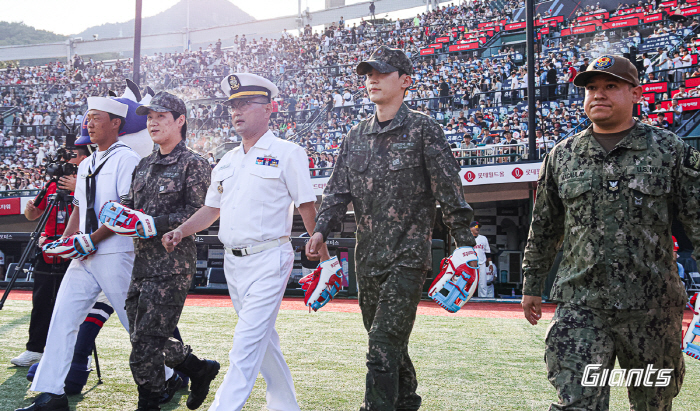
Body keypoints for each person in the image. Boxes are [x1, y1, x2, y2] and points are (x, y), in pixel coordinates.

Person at [521, 55, 700, 410]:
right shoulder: (563, 156)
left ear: (635, 93)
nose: (598, 95)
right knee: (576, 402)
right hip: (582, 304)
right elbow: (543, 228)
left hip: (652, 307)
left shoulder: (669, 151)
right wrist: (531, 285)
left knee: (653, 403)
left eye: (610, 86)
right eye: (591, 88)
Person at [306, 46, 476, 411]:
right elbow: (336, 192)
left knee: (381, 346)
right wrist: (321, 230)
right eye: (368, 74)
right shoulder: (355, 136)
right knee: (388, 346)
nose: (372, 80)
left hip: (408, 258)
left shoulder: (422, 129)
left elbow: (449, 191)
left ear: (405, 81)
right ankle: (407, 402)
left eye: (381, 73)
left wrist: (464, 245)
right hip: (366, 259)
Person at [162, 73, 328, 411]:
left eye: (245, 104)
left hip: (270, 256)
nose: (237, 111)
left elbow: (307, 204)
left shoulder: (288, 152)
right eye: (233, 105)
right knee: (263, 341)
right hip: (233, 262)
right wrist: (182, 230)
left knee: (245, 342)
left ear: (269, 109)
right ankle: (285, 406)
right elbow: (211, 210)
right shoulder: (226, 160)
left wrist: (323, 256)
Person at [16, 97, 153, 411]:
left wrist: (91, 239)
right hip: (85, 254)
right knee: (62, 318)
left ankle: (176, 372)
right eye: (87, 118)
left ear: (116, 123)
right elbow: (79, 206)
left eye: (96, 118)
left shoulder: (127, 159)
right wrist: (65, 241)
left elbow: (124, 210)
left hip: (116, 251)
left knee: (136, 325)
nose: (88, 124)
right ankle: (51, 393)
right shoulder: (89, 161)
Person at [114, 91, 219, 410]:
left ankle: (150, 402)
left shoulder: (195, 164)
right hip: (141, 262)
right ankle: (199, 369)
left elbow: (199, 211)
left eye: (161, 116)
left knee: (147, 339)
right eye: (149, 117)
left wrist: (154, 223)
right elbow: (130, 207)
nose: (153, 122)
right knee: (142, 338)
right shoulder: (143, 165)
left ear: (180, 121)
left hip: (173, 264)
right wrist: (119, 214)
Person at [10, 146, 87, 368]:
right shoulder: (52, 185)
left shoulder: (86, 184)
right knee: (41, 301)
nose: (66, 161)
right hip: (48, 249)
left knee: (74, 305)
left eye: (72, 156)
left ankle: (77, 355)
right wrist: (29, 208)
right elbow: (32, 215)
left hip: (74, 250)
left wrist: (79, 187)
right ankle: (34, 350)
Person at [470, 222, 494, 297]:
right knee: (469, 283)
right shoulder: (467, 238)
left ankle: (483, 300)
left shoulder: (483, 238)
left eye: (478, 227)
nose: (477, 228)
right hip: (469, 264)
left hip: (481, 264)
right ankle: (467, 300)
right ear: (470, 228)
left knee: (483, 284)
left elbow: (488, 252)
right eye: (475, 226)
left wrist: (490, 264)